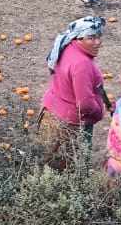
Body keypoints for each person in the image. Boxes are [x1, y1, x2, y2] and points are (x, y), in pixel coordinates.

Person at [38, 16, 107, 168]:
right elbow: (85, 104)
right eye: (91, 38)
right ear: (78, 38)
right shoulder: (82, 64)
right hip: (66, 125)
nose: (98, 42)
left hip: (51, 112)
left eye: (99, 37)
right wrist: (98, 112)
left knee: (45, 162)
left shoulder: (66, 47)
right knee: (65, 169)